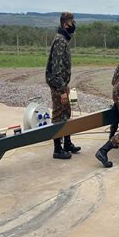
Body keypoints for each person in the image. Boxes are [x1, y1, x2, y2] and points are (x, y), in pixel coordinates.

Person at [45, 12, 81, 159]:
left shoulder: (63, 40)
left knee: (66, 114)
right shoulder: (60, 41)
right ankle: (57, 149)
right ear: (66, 24)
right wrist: (62, 91)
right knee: (58, 116)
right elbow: (56, 70)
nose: (74, 25)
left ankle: (67, 143)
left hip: (62, 84)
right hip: (58, 85)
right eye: (72, 22)